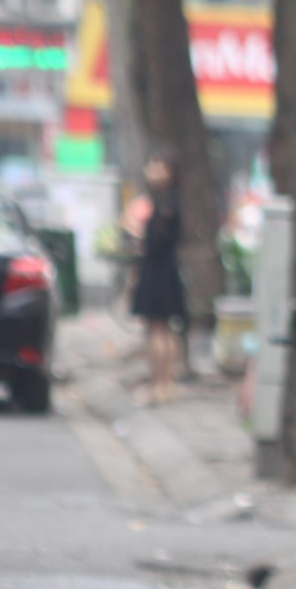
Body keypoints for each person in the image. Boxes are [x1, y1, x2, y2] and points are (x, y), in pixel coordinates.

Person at [131, 157, 187, 405]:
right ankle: (166, 385)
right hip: (166, 270)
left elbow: (155, 240)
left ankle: (160, 384)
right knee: (165, 330)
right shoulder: (169, 201)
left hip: (157, 271)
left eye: (157, 166)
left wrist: (132, 227)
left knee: (157, 330)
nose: (151, 171)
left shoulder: (165, 204)